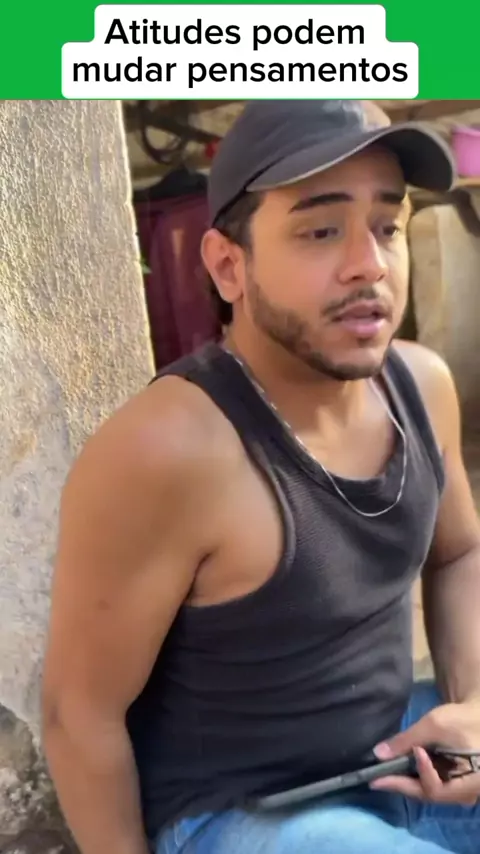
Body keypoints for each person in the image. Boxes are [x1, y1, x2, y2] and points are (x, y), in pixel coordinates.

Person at [42, 100, 480, 854]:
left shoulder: (422, 385)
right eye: (320, 231)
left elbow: (459, 552)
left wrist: (470, 709)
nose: (369, 265)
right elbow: (78, 716)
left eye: (387, 226)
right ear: (227, 266)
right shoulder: (170, 448)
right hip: (241, 814)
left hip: (395, 759)